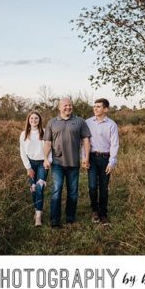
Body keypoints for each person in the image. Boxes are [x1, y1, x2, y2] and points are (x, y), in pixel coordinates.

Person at [43, 96, 91, 228]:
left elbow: (86, 140)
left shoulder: (80, 121)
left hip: (73, 163)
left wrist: (86, 157)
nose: (68, 107)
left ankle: (70, 218)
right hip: (57, 163)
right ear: (59, 107)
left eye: (70, 105)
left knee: (73, 192)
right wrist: (46, 158)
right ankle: (55, 220)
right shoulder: (52, 122)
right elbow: (47, 142)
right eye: (65, 105)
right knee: (56, 191)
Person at [86, 97, 120, 224]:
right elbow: (83, 142)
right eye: (94, 106)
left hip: (105, 158)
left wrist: (112, 162)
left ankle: (103, 213)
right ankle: (95, 211)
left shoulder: (112, 124)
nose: (95, 108)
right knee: (92, 186)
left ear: (106, 109)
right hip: (92, 158)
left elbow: (114, 144)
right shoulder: (87, 122)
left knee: (104, 188)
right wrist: (84, 158)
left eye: (98, 106)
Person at [19, 111, 52, 227]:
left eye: (36, 118)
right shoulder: (24, 134)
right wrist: (28, 167)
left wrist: (48, 161)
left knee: (39, 187)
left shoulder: (45, 132)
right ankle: (37, 209)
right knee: (33, 188)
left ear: (39, 120)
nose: (34, 120)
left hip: (43, 163)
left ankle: (38, 216)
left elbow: (49, 147)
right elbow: (22, 152)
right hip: (30, 163)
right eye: (31, 118)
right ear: (28, 120)